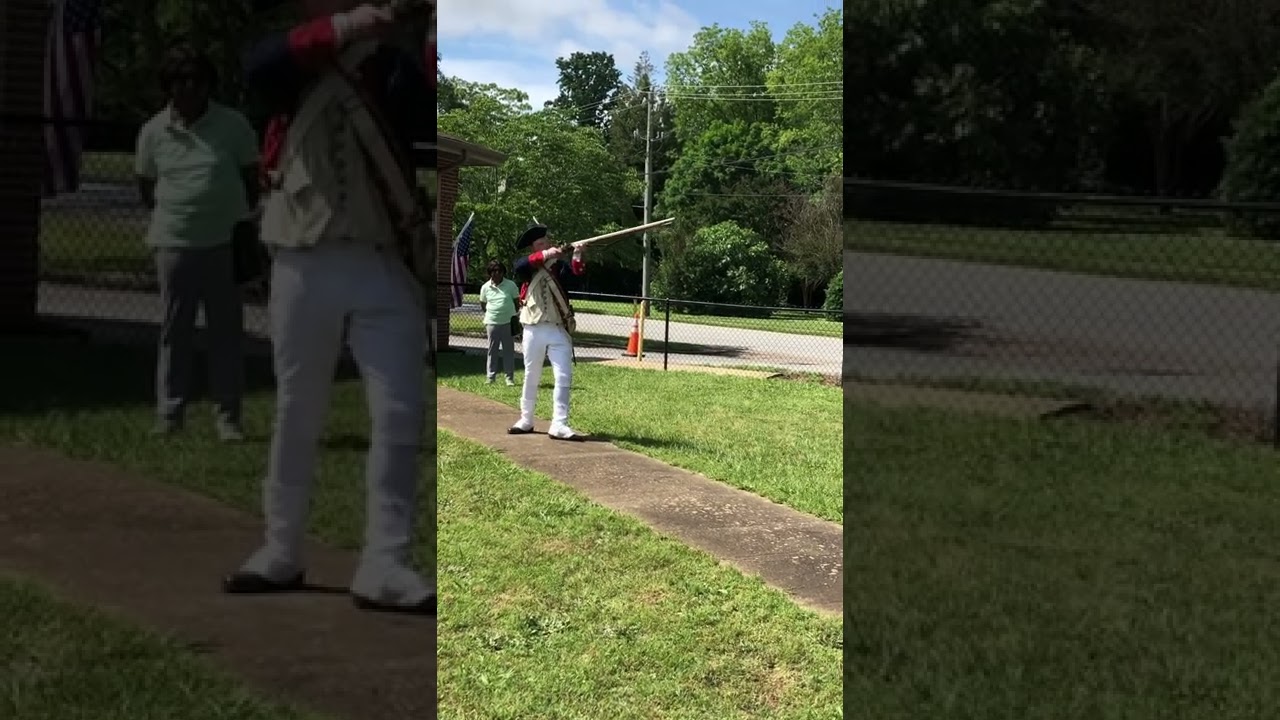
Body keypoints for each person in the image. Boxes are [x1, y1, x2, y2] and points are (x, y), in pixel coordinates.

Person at [220, 0, 435, 616]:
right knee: (299, 409)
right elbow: (258, 69)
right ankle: (280, 549)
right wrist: (349, 27)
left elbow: (424, 120)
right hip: (302, 254)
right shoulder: (299, 59)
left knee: (399, 412)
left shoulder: (394, 69)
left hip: (382, 259)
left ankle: (385, 563)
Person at [134, 42, 258, 442]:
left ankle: (228, 419)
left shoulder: (233, 125)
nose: (188, 89)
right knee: (175, 332)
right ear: (168, 87)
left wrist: (230, 217)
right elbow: (146, 185)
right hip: (173, 243)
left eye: (196, 81)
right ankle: (169, 415)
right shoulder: (154, 131)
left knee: (226, 332)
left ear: (208, 85)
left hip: (223, 243)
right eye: (179, 82)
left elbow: (251, 180)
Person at [508, 223, 587, 441]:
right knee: (531, 375)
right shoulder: (530, 266)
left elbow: (577, 277)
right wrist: (545, 254)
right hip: (533, 328)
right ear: (534, 248)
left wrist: (578, 254)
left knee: (563, 376)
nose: (546, 245)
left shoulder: (558, 267)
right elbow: (518, 267)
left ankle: (559, 423)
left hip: (557, 329)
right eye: (540, 244)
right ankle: (526, 419)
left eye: (546, 242)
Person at [478, 259, 519, 385]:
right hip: (492, 322)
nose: (497, 274)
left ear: (503, 273)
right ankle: (490, 377)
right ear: (490, 273)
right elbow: (483, 304)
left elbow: (516, 303)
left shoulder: (511, 285)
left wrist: (510, 314)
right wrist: (493, 314)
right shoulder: (485, 287)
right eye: (494, 271)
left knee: (508, 350)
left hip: (508, 322)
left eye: (499, 271)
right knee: (492, 350)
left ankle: (509, 378)